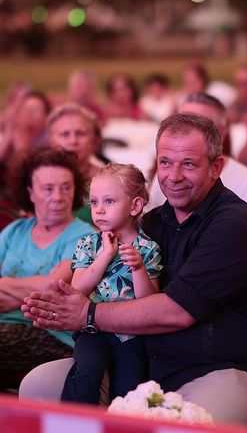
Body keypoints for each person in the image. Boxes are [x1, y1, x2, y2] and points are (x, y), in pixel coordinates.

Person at [22, 113, 247, 426]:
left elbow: (177, 311)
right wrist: (60, 296)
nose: (173, 175)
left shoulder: (234, 225)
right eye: (165, 162)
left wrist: (86, 314)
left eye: (188, 163)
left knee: (182, 427)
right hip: (145, 365)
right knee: (37, 386)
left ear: (216, 167)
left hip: (223, 370)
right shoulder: (153, 223)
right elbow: (96, 263)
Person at [62, 163, 162, 405]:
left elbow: (151, 303)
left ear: (135, 206)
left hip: (132, 335)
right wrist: (105, 255)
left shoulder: (148, 249)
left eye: (109, 201)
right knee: (86, 371)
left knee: (130, 387)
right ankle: (73, 423)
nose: (99, 210)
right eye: (94, 202)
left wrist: (138, 268)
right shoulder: (88, 243)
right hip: (91, 330)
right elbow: (78, 290)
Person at [0, 146, 92, 380]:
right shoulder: (15, 231)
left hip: (51, 335)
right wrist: (33, 293)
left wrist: (4, 283)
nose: (58, 197)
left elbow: (51, 287)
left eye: (66, 187)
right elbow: (43, 293)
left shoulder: (86, 237)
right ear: (30, 192)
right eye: (48, 189)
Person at [146, 92, 247, 226]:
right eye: (179, 124)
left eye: (200, 125)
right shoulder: (168, 177)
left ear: (222, 132)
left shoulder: (246, 182)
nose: (174, 177)